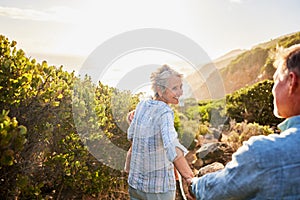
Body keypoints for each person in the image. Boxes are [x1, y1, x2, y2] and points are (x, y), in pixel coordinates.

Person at [190, 43, 300, 199]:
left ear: (291, 82)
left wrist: (193, 184)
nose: (272, 89)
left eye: (276, 80)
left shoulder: (262, 155)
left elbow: (216, 190)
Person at [126, 64, 194, 200]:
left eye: (181, 87)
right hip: (158, 190)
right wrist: (190, 178)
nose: (180, 92)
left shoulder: (141, 105)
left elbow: (132, 136)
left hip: (135, 185)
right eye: (174, 88)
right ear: (159, 89)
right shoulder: (165, 112)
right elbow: (172, 147)